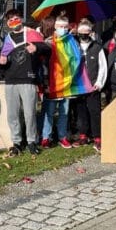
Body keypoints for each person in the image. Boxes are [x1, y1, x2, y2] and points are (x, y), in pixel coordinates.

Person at [0, 10, 51, 156]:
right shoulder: (7, 38)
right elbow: (3, 58)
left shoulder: (32, 33)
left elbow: (48, 49)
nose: (14, 21)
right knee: (13, 114)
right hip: (11, 81)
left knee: (29, 113)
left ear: (21, 19)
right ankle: (16, 142)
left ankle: (31, 142)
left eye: (16, 18)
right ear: (8, 23)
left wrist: (37, 47)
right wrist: (2, 62)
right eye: (10, 19)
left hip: (28, 79)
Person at [41, 16, 75, 149]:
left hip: (66, 83)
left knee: (64, 112)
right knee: (49, 112)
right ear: (55, 27)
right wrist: (45, 83)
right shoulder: (48, 42)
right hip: (52, 83)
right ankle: (45, 137)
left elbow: (75, 62)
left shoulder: (71, 42)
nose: (63, 29)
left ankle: (62, 137)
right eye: (60, 26)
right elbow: (43, 64)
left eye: (65, 27)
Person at [74, 18, 107, 151]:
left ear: (90, 32)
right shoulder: (74, 47)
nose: (83, 34)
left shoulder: (97, 47)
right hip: (79, 85)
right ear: (77, 33)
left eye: (86, 31)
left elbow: (103, 67)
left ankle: (97, 138)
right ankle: (83, 135)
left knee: (94, 112)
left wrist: (99, 83)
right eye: (81, 31)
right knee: (81, 112)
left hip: (93, 86)